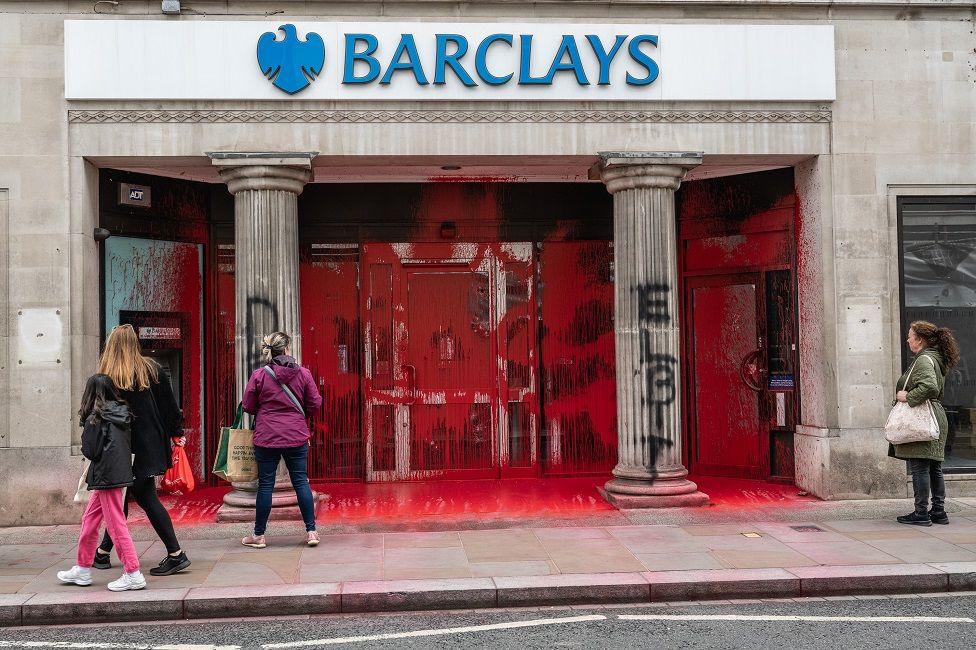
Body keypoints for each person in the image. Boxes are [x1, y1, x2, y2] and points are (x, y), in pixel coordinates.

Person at [94, 324, 191, 575]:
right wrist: (177, 433)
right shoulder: (152, 368)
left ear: (111, 347)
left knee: (140, 496)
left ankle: (176, 553)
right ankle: (103, 552)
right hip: (149, 444)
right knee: (126, 496)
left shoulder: (108, 376)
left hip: (121, 447)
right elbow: (170, 406)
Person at [58, 374, 146, 591]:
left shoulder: (95, 418)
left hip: (107, 477)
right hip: (115, 474)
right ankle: (82, 567)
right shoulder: (121, 413)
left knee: (116, 525)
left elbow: (90, 450)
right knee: (90, 519)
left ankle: (133, 572)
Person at [241, 331, 323, 549]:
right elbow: (315, 405)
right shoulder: (303, 374)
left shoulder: (259, 375)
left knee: (266, 485)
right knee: (301, 481)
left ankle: (259, 536)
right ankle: (312, 532)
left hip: (266, 437)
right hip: (296, 435)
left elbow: (248, 405)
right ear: (287, 349)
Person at [890, 320, 960, 526]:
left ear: (919, 340)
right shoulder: (936, 359)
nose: (907, 339)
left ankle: (921, 513)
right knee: (934, 467)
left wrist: (907, 397)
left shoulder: (923, 360)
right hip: (936, 415)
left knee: (920, 466)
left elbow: (929, 387)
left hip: (923, 416)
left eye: (910, 336)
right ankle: (938, 511)